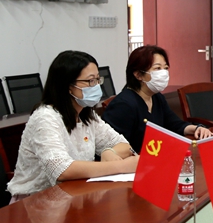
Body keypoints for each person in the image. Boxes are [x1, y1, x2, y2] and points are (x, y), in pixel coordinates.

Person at [7, 51, 139, 202]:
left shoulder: (87, 115)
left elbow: (123, 145)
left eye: (98, 79)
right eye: (90, 81)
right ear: (68, 86)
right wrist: (122, 166)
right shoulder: (45, 118)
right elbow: (62, 169)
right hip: (35, 202)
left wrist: (109, 151)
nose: (96, 86)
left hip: (74, 196)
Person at [103, 45, 213, 154]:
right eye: (157, 68)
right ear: (138, 75)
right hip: (133, 161)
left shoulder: (156, 97)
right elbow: (113, 148)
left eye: (166, 68)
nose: (164, 73)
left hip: (156, 156)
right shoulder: (123, 104)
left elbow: (174, 124)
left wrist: (197, 128)